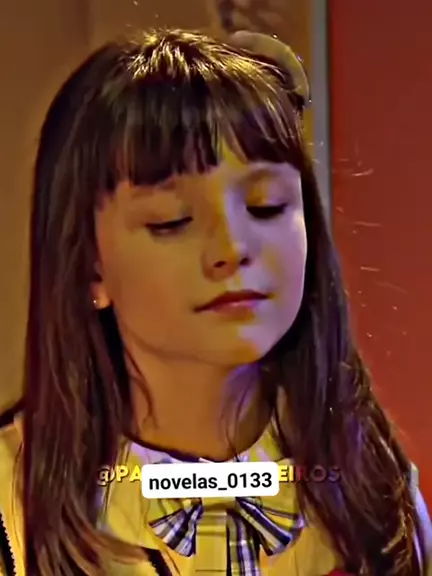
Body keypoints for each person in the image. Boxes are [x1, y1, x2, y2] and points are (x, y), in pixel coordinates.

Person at [0, 28, 430, 576]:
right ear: (88, 264)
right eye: (172, 221)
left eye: (267, 206)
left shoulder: (373, 484)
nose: (231, 249)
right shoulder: (13, 498)